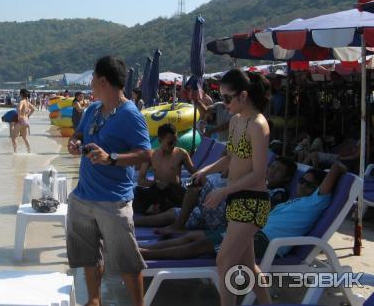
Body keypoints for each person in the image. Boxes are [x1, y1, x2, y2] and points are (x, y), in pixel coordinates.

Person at [66, 56, 152, 306]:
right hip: (83, 196)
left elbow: (146, 153)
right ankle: (94, 300)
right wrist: (74, 141)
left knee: (127, 261)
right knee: (89, 256)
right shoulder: (93, 109)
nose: (90, 83)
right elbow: (79, 133)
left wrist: (111, 158)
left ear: (103, 80)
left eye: (93, 78)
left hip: (114, 201)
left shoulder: (130, 114)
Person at [138, 163, 345, 262]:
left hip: (265, 242)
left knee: (202, 245)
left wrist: (339, 168)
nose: (302, 185)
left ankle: (147, 255)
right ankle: (141, 248)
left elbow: (334, 170)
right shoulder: (295, 201)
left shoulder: (316, 202)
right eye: (301, 180)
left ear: (318, 189)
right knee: (194, 235)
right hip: (251, 231)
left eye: (309, 185)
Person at [191, 69, 271, 306]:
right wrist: (203, 171)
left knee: (224, 261)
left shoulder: (258, 125)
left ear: (243, 96)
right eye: (220, 96)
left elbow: (259, 174)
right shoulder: (236, 122)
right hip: (236, 199)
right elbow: (229, 158)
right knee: (248, 265)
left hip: (252, 202)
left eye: (227, 98)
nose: (222, 103)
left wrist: (223, 190)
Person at [135, 156, 296, 234]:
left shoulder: (278, 193)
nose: (272, 171)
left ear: (287, 178)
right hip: (215, 210)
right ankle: (134, 223)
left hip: (231, 220)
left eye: (278, 170)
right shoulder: (259, 181)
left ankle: (178, 223)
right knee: (174, 211)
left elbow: (264, 211)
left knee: (197, 181)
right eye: (272, 167)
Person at [133, 124, 195, 214]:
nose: (173, 145)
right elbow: (140, 179)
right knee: (137, 193)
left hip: (174, 191)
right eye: (170, 143)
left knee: (183, 197)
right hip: (157, 190)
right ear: (160, 140)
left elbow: (195, 173)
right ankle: (158, 208)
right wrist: (155, 183)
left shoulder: (181, 154)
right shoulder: (151, 155)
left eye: (175, 141)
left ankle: (156, 209)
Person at [11, 88, 36, 153]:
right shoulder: (28, 102)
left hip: (21, 120)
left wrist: (19, 118)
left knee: (14, 136)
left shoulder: (22, 101)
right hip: (26, 121)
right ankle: (29, 151)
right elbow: (34, 109)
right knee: (25, 138)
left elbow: (19, 109)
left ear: (21, 94)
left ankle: (15, 152)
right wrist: (28, 115)